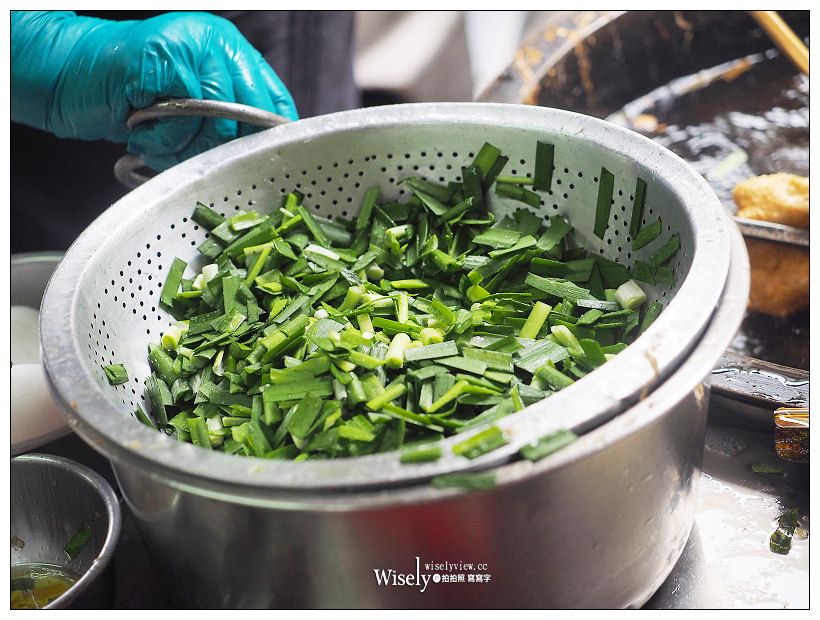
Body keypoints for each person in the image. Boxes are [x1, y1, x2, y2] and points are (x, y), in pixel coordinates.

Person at [10, 10, 359, 252]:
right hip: (100, 89)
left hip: (290, 31)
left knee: (309, 176)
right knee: (96, 238)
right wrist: (39, 46)